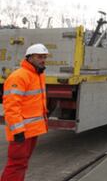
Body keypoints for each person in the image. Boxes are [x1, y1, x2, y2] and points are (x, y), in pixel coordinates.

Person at [1, 44, 49, 181]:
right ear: (29, 57)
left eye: (44, 57)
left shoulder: (38, 75)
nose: (43, 60)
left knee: (22, 164)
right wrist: (18, 132)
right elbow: (11, 107)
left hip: (32, 130)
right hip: (21, 132)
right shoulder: (19, 76)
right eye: (40, 57)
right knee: (16, 165)